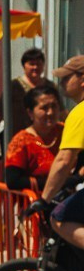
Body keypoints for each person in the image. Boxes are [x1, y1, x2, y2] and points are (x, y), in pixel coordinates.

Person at [39, 55, 84, 204]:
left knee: (59, 216)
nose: (62, 83)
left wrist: (44, 200)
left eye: (66, 78)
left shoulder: (79, 113)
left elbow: (64, 160)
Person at [3, 83, 63, 191]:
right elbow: (13, 181)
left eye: (54, 106)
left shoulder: (66, 131)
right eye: (44, 108)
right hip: (36, 198)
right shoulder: (21, 141)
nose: (50, 112)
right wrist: (58, 183)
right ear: (30, 113)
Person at [0, 47, 46, 153]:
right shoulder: (13, 87)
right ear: (24, 66)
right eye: (31, 64)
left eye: (38, 64)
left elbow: (60, 112)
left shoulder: (49, 87)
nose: (35, 67)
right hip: (16, 141)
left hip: (43, 142)